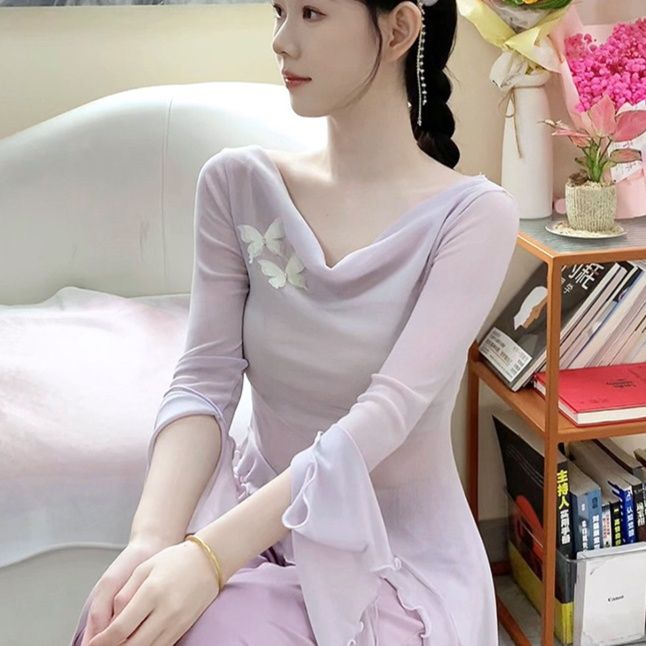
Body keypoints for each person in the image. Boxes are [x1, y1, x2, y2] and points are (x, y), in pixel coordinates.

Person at [70, 0, 520, 643]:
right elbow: (204, 380)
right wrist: (151, 541)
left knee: (220, 627)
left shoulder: (473, 217)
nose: (282, 41)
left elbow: (382, 419)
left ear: (398, 29)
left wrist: (208, 558)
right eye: (279, 12)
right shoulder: (237, 184)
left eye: (312, 13)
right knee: (126, 612)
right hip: (255, 523)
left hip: (390, 561)